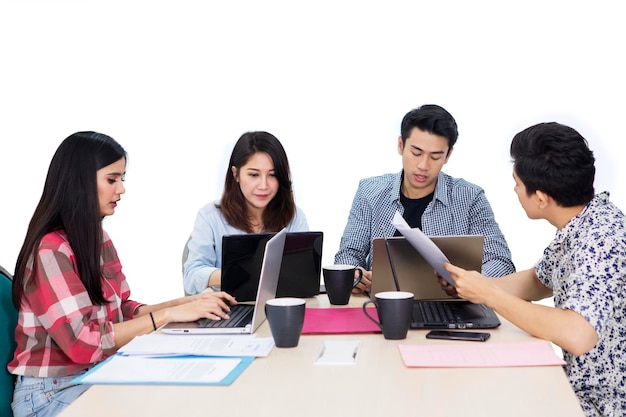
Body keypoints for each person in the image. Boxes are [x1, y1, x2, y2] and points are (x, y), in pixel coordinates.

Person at [9, 132, 236, 417]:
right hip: (50, 394)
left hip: (96, 374)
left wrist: (183, 306)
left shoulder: (97, 237)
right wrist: (164, 317)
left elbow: (121, 310)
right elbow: (82, 344)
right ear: (80, 182)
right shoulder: (50, 251)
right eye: (112, 179)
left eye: (122, 179)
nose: (121, 190)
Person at [443, 122, 625, 416]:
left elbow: (579, 334)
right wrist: (473, 286)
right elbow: (538, 281)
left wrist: (491, 295)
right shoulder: (585, 221)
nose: (514, 189)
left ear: (540, 198)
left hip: (600, 405)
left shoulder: (600, 242)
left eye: (517, 182)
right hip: (575, 386)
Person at [334, 104, 515, 293]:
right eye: (416, 153)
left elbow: (501, 262)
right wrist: (355, 275)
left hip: (453, 307)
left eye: (435, 157)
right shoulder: (369, 191)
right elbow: (348, 254)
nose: (423, 165)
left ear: (448, 155)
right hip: (384, 304)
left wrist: (467, 285)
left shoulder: (470, 198)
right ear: (400, 145)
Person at [183, 131, 308, 295]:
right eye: (254, 175)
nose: (263, 185)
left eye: (272, 175)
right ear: (236, 174)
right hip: (228, 309)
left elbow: (303, 274)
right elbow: (192, 276)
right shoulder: (210, 217)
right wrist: (239, 275)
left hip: (279, 305)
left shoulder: (294, 216)